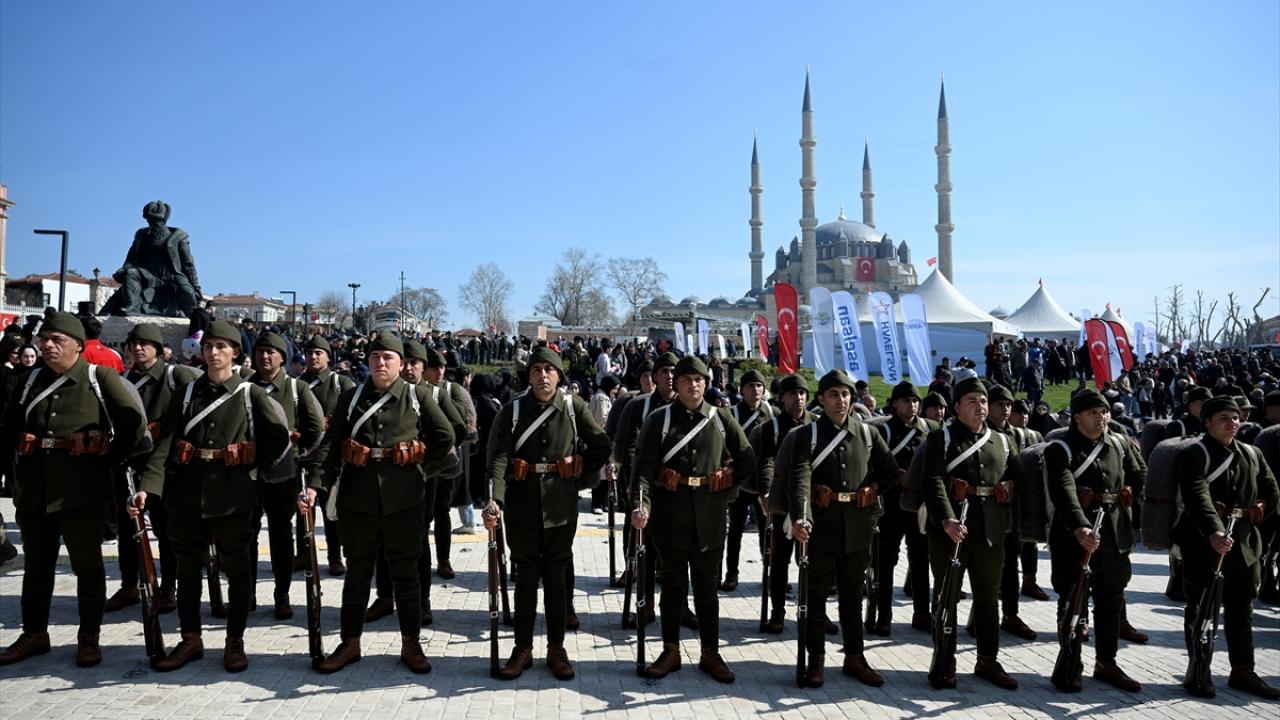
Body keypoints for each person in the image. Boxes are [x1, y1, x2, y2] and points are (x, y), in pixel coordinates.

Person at [132, 320, 293, 672]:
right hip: (186, 495)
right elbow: (166, 443)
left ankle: (235, 640)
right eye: (208, 346)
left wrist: (251, 465)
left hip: (233, 496)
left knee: (237, 571)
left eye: (221, 346)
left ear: (235, 352)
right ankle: (190, 638)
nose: (213, 352)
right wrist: (149, 486)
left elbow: (278, 438)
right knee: (188, 570)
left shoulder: (250, 395)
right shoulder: (187, 393)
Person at [0, 312, 148, 668]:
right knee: (37, 567)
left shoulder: (99, 378)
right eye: (45, 339)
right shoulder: (28, 381)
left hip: (81, 493)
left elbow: (133, 423)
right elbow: (7, 429)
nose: (48, 345)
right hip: (34, 492)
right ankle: (35, 633)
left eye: (58, 340)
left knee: (88, 567)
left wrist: (109, 452)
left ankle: (89, 637)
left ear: (78, 346)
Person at [306, 331, 455, 674]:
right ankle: (350, 642)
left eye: (388, 357)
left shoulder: (417, 397)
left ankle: (410, 643)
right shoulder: (352, 397)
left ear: (401, 364)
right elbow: (330, 445)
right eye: (375, 357)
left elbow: (446, 435)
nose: (380, 363)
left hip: (404, 501)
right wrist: (315, 485)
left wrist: (421, 467)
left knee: (406, 574)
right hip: (358, 500)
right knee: (357, 572)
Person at [482, 346, 611, 680]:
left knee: (556, 578)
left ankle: (556, 648)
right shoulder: (512, 411)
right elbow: (498, 457)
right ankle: (522, 648)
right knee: (525, 577)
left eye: (549, 370)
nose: (542, 376)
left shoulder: (572, 407)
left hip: (559, 505)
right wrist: (496, 499)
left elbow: (601, 445)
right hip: (522, 504)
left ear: (559, 376)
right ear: (529, 375)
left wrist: (580, 475)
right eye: (536, 370)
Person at [631, 355, 754, 683]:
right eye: (686, 380)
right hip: (670, 516)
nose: (692, 385)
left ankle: (710, 652)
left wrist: (727, 484)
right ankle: (670, 650)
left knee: (707, 589)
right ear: (677, 384)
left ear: (706, 383)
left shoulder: (720, 418)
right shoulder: (659, 419)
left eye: (698, 380)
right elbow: (643, 468)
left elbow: (747, 459)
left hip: (709, 518)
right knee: (672, 587)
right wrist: (642, 504)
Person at [790, 370, 898, 687]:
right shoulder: (807, 435)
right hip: (820, 527)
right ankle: (816, 659)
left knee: (852, 596)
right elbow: (800, 478)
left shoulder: (868, 434)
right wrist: (802, 515)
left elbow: (890, 471)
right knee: (815, 597)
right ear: (821, 399)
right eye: (834, 394)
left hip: (856, 526)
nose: (841, 400)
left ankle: (855, 657)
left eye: (846, 394)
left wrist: (873, 489)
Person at [1174, 396, 1280, 699]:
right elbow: (1197, 496)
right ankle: (1199, 671)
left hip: (1244, 545)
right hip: (1203, 544)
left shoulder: (1252, 453)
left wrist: (1258, 511)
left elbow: (1271, 490)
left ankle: (1243, 671)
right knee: (1201, 609)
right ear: (1207, 422)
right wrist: (1214, 531)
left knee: (1242, 610)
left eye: (1235, 417)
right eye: (1223, 417)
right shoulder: (1195, 453)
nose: (1232, 423)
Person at [922, 378, 1024, 690]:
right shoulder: (941, 438)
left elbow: (1018, 478)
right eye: (971, 401)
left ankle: (988, 660)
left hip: (991, 531)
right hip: (950, 532)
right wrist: (947, 519)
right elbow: (933, 481)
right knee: (947, 596)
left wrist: (1010, 495)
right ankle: (945, 661)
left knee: (988, 599)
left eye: (982, 401)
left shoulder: (1001, 440)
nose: (980, 406)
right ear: (956, 407)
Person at [1045, 389, 1146, 692]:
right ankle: (1070, 664)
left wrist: (1126, 491)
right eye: (1092, 412)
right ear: (1076, 417)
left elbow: (1139, 471)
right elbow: (1063, 491)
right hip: (1072, 538)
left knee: (1111, 600)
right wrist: (1079, 526)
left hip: (1114, 535)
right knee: (1073, 601)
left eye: (1103, 412)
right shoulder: (1060, 449)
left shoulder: (1119, 442)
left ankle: (1106, 662)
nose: (1100, 417)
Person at [104, 323, 198, 615]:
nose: (138, 348)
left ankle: (169, 586)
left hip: (166, 464)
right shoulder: (123, 380)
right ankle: (130, 584)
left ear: (157, 348)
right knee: (127, 527)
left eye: (145, 343)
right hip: (130, 463)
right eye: (133, 343)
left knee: (165, 529)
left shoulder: (174, 376)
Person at [246, 331, 326, 620]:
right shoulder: (244, 387)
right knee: (246, 535)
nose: (265, 356)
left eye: (271, 352)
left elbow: (316, 428)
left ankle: (282, 594)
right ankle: (247, 594)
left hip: (283, 472)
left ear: (282, 357)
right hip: (247, 472)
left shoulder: (296, 388)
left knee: (281, 536)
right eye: (260, 351)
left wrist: (299, 451)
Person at [753, 373, 818, 634]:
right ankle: (777, 611)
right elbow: (766, 462)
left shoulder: (817, 425)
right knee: (779, 561)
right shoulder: (771, 427)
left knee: (815, 562)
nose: (798, 398)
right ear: (782, 398)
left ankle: (816, 611)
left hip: (812, 502)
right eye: (793, 393)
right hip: (781, 501)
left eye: (802, 393)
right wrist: (767, 492)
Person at [872, 381, 938, 635]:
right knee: (885, 560)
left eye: (915, 401)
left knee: (920, 559)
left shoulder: (930, 429)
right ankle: (883, 615)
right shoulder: (883, 430)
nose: (912, 405)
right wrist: (894, 476)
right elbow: (874, 463)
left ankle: (922, 613)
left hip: (918, 505)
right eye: (906, 401)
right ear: (895, 403)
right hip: (891, 504)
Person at [295, 334, 355, 577]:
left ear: (328, 357)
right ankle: (303, 554)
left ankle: (334, 557)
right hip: (304, 456)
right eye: (309, 353)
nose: (313, 357)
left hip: (332, 457)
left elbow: (354, 415)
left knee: (331, 513)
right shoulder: (297, 384)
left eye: (318, 353)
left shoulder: (341, 383)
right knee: (303, 510)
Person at [721, 368, 773, 591]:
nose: (755, 390)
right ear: (742, 389)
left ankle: (768, 573)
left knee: (767, 530)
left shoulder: (771, 413)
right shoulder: (731, 413)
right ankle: (731, 573)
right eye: (751, 385)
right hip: (740, 482)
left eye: (759, 385)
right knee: (735, 530)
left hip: (763, 481)